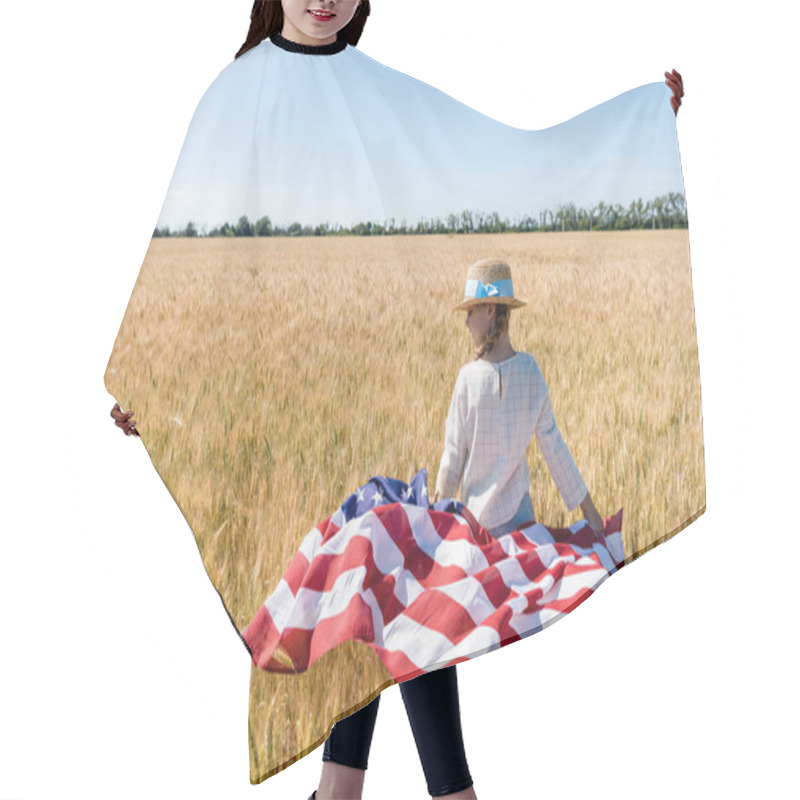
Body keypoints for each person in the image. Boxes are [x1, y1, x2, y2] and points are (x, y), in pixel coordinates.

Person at [108, 3, 686, 798]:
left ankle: (359, 789)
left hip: (425, 486)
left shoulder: (376, 89)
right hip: (316, 420)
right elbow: (193, 259)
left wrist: (640, 124)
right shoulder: (236, 92)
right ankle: (390, 789)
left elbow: (485, 155)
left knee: (375, 574)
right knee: (379, 580)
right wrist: (153, 382)